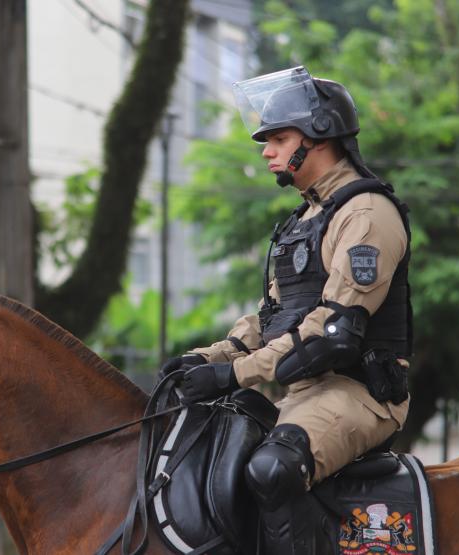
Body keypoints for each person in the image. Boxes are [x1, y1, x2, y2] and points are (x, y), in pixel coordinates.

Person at [163, 66, 413, 554]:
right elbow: (268, 320)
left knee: (272, 469)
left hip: (360, 392)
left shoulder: (365, 214)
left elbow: (331, 334)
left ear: (319, 137)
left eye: (277, 137)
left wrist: (235, 376)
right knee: (213, 458)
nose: (266, 150)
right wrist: (206, 360)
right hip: (305, 393)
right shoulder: (305, 219)